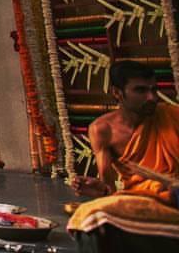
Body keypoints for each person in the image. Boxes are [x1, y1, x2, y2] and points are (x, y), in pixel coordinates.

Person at [67, 59, 179, 252]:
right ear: (117, 93)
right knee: (92, 216)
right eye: (141, 90)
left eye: (154, 89)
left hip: (174, 197)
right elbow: (108, 188)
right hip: (138, 199)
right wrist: (100, 190)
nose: (152, 97)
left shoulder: (173, 116)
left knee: (92, 216)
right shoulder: (102, 130)